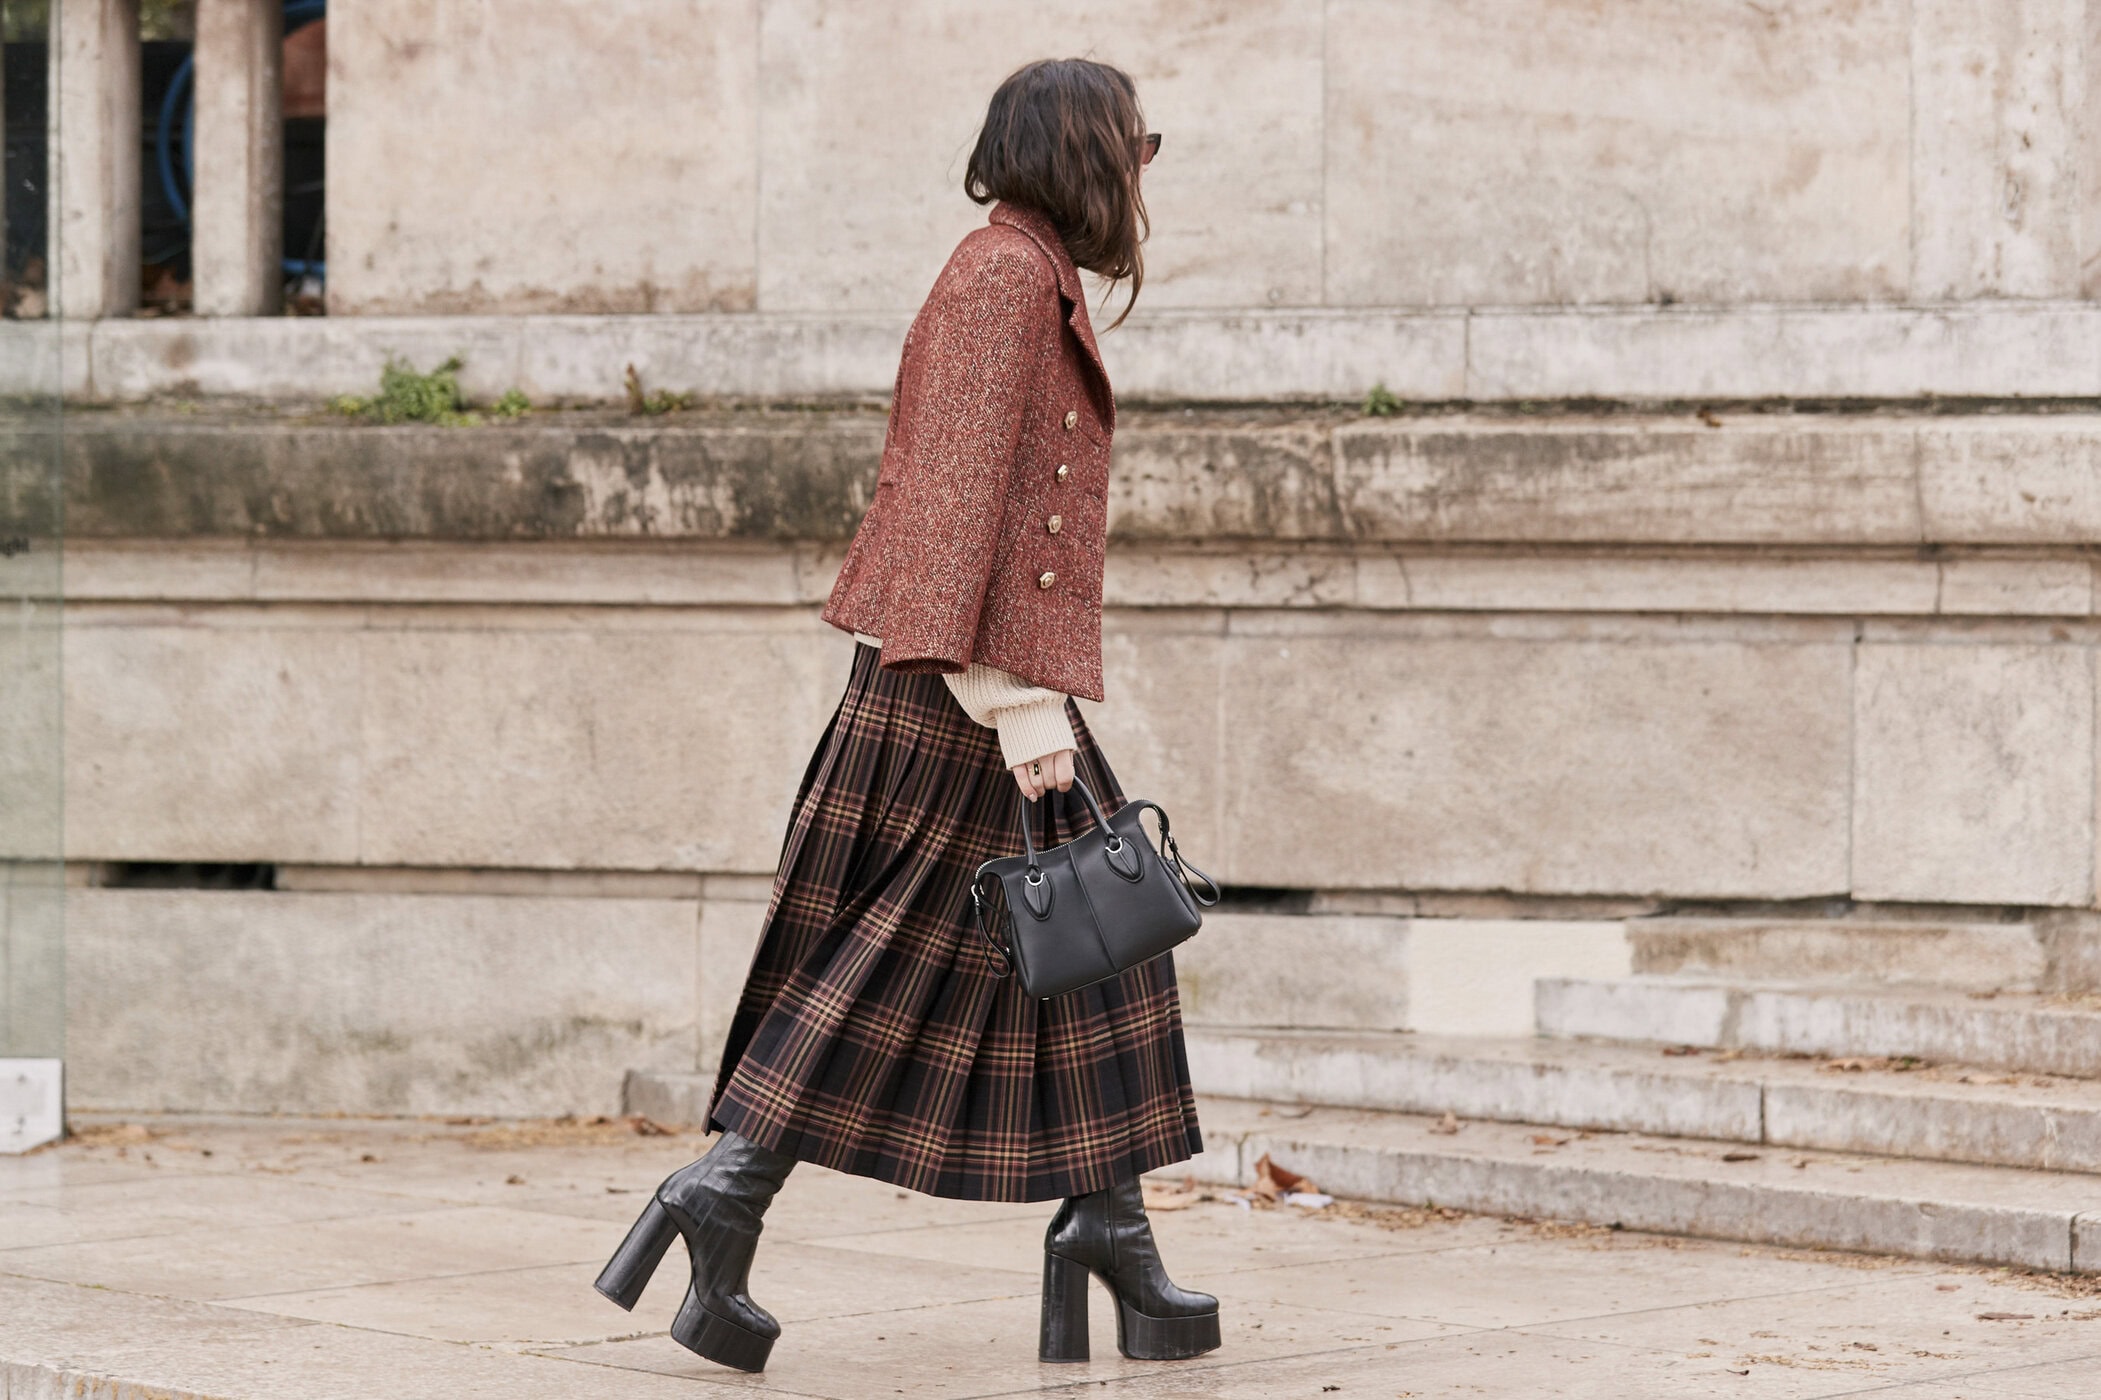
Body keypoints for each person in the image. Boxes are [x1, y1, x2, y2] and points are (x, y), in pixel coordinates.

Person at [591, 57, 1216, 1374]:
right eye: (1135, 147)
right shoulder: (999, 278)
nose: (1141, 176)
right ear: (1081, 152)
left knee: (1090, 957)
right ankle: (730, 1190)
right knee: (925, 958)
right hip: (965, 690)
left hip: (970, 684)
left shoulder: (1019, 268)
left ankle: (1104, 1226)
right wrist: (1023, 709)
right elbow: (947, 507)